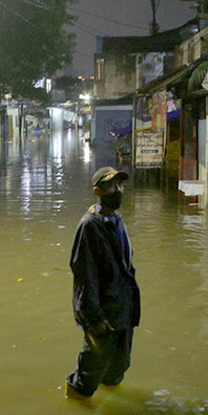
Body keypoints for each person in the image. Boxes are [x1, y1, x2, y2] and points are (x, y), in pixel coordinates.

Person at [66, 166, 141, 399]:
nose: (118, 190)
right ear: (98, 191)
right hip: (103, 316)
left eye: (120, 185)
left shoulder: (117, 221)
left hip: (122, 310)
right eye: (111, 186)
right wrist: (95, 319)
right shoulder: (90, 225)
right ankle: (77, 405)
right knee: (88, 375)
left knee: (118, 368)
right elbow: (85, 277)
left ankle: (112, 403)